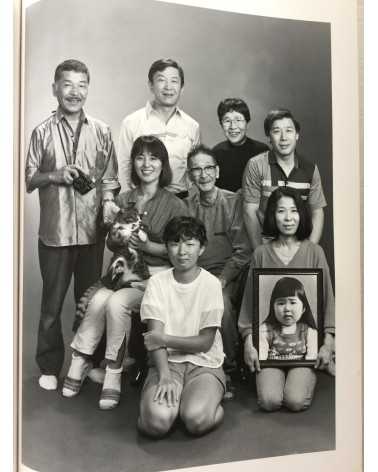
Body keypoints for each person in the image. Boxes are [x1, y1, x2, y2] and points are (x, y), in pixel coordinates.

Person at [62, 136, 188, 409]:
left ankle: (114, 372)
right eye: (140, 157)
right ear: (133, 163)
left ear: (163, 164)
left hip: (155, 280)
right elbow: (110, 242)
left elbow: (183, 251)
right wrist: (117, 238)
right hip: (122, 275)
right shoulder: (123, 198)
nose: (147, 164)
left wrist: (148, 245)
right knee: (96, 300)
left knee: (116, 302)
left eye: (154, 158)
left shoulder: (174, 204)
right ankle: (80, 360)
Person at [25, 59, 120, 391]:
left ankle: (88, 362)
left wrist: (109, 200)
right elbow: (28, 179)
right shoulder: (41, 131)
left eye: (81, 85)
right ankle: (50, 365)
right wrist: (56, 175)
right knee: (51, 305)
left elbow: (110, 179)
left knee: (92, 300)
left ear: (88, 90)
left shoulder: (102, 130)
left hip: (93, 233)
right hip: (55, 234)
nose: (74, 92)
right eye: (67, 84)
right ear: (55, 88)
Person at [238, 186, 335, 411]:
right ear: (272, 216)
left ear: (302, 215)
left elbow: (328, 301)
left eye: (294, 211)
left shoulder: (314, 252)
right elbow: (248, 306)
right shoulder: (261, 253)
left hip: (305, 348)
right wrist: (248, 343)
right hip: (269, 347)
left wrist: (328, 343)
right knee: (270, 400)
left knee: (295, 400)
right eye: (281, 211)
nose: (288, 218)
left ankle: (303, 374)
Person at [138, 216, 225, 437]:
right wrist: (165, 376)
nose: (182, 251)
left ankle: (205, 401)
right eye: (175, 243)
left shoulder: (211, 284)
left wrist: (165, 339)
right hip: (166, 363)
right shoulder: (157, 283)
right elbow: (153, 339)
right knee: (157, 424)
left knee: (196, 419)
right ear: (167, 247)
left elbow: (205, 343)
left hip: (204, 363)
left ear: (202, 248)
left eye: (190, 244)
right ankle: (163, 406)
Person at [185, 145, 251, 396]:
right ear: (190, 175)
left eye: (208, 168)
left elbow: (243, 251)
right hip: (193, 274)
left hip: (227, 275)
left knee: (219, 302)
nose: (203, 175)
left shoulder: (233, 202)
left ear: (218, 171)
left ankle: (229, 368)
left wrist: (221, 280)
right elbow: (182, 247)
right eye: (197, 170)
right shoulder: (185, 205)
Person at [242, 108, 327, 250]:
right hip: (266, 243)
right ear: (269, 137)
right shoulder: (256, 165)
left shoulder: (310, 169)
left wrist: (309, 250)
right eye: (276, 131)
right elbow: (249, 211)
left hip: (300, 244)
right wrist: (260, 252)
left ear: (297, 135)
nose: (283, 137)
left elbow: (317, 212)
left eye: (289, 130)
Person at [118, 58, 200, 198]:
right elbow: (124, 167)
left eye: (174, 81)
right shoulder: (131, 122)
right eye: (161, 80)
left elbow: (195, 169)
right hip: (143, 200)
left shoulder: (192, 126)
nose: (168, 87)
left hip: (180, 200)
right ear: (151, 85)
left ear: (182, 87)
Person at [213, 98, 269, 192]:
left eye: (238, 120)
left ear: (247, 121)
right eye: (227, 121)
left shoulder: (262, 151)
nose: (233, 126)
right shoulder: (215, 153)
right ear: (221, 124)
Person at [259, 277, 318, 362]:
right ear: (273, 308)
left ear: (303, 308)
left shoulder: (309, 331)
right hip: (272, 368)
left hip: (302, 367)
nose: (287, 308)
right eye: (281, 303)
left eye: (293, 302)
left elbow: (312, 357)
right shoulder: (265, 330)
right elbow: (261, 358)